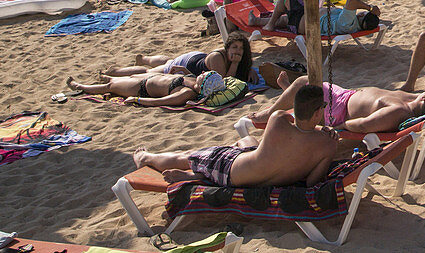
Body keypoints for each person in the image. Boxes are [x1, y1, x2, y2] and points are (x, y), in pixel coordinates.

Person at [132, 83, 338, 188]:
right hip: (269, 178)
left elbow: (295, 123)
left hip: (234, 173)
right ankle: (201, 175)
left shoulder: (278, 121)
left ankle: (146, 159)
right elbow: (312, 182)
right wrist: (322, 131)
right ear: (318, 113)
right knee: (247, 141)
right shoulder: (328, 145)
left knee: (189, 155)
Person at [248, 71, 425, 134]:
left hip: (338, 110)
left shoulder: (399, 110)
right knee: (307, 85)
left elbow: (365, 124)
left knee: (306, 80)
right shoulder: (412, 98)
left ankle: (268, 114)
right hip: (344, 96)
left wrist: (339, 127)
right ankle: (291, 93)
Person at [105, 31, 257, 82]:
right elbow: (223, 82)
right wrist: (236, 65)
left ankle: (144, 59)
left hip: (196, 57)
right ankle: (114, 73)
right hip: (188, 64)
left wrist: (248, 70)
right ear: (227, 48)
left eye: (241, 48)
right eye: (234, 47)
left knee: (168, 61)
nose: (237, 51)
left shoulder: (240, 57)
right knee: (150, 73)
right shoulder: (218, 58)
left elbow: (246, 68)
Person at [67, 70, 226, 108]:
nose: (203, 72)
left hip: (142, 88)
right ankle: (109, 76)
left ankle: (81, 87)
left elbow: (161, 101)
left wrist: (137, 100)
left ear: (204, 84)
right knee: (129, 77)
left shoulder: (186, 93)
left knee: (110, 87)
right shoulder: (192, 80)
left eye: (205, 75)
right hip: (150, 77)